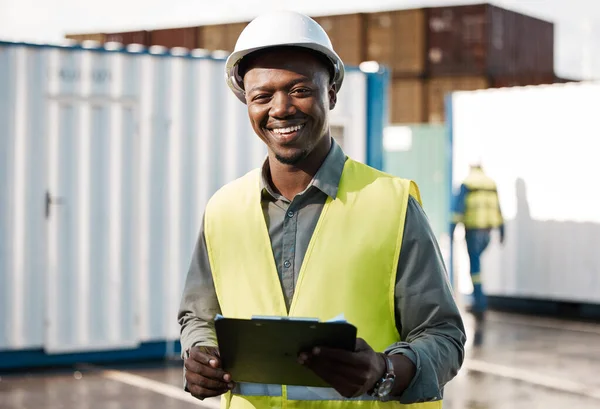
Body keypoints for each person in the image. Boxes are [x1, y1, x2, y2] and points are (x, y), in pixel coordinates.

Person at [178, 10, 465, 409]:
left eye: (299, 90)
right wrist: (198, 356)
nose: (280, 108)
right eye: (262, 95)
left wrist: (385, 372)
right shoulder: (223, 209)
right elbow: (197, 317)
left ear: (330, 93)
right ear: (247, 103)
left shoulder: (392, 204)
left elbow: (443, 336)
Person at [451, 163, 505, 320]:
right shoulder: (490, 183)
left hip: (473, 230)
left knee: (475, 269)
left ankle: (479, 303)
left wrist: (452, 229)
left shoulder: (467, 183)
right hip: (488, 231)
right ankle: (479, 301)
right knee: (478, 266)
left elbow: (457, 209)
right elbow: (498, 209)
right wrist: (502, 231)